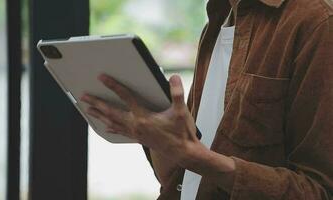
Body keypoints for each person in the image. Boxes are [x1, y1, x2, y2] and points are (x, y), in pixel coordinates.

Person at [81, 0, 333, 199]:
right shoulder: (217, 20)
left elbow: (319, 191)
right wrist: (158, 137)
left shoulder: (315, 22)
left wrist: (197, 158)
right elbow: (178, 179)